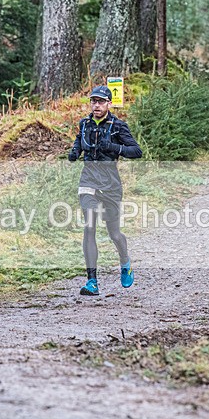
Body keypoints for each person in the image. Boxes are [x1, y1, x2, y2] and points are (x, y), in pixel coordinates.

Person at [68, 85, 142, 296]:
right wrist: (74, 153)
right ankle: (92, 281)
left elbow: (137, 151)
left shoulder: (118, 126)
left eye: (101, 101)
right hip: (88, 182)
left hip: (110, 186)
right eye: (93, 101)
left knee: (114, 234)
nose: (96, 105)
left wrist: (115, 148)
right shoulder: (84, 124)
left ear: (109, 103)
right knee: (89, 224)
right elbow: (78, 143)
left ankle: (125, 262)